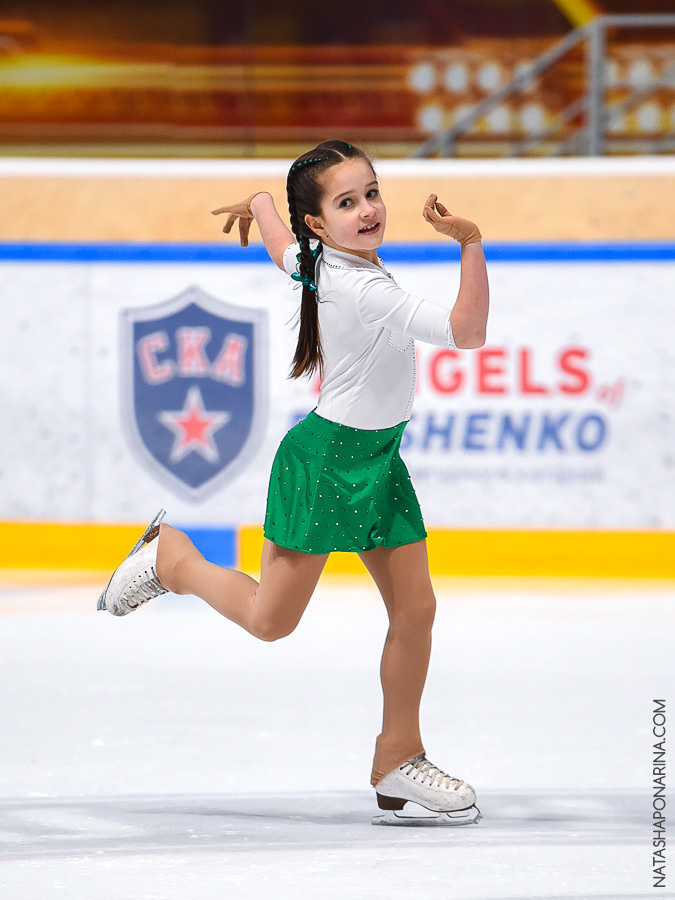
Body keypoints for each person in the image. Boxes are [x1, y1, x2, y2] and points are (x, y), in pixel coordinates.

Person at [98, 140, 489, 826]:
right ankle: (172, 559)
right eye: (347, 202)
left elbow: (282, 249)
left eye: (371, 192)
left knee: (416, 609)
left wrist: (258, 204)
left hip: (377, 459)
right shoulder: (360, 286)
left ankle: (398, 756)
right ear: (319, 222)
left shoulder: (317, 260)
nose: (367, 210)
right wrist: (470, 242)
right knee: (269, 621)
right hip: (325, 464)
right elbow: (467, 332)